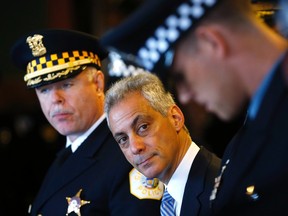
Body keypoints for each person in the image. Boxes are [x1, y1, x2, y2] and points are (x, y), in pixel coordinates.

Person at [100, 0, 288, 215]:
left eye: (180, 76)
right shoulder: (245, 138)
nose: (186, 96)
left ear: (211, 42)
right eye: (122, 139)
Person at [10, 29, 162, 216]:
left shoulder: (129, 154)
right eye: (43, 90)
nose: (55, 99)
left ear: (97, 83)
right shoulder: (65, 155)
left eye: (66, 85)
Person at [104, 72, 221, 216]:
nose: (135, 147)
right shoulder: (169, 199)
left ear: (175, 118)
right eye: (123, 139)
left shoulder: (222, 192)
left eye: (143, 127)